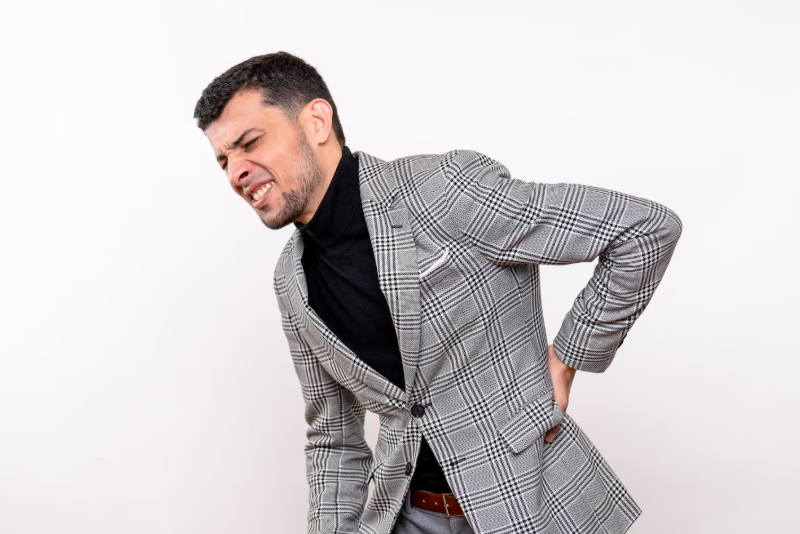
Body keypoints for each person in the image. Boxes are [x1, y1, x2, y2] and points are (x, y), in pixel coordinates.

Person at [194, 51, 682, 534]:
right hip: (408, 516)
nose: (236, 172)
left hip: (527, 504)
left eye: (250, 142)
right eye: (223, 160)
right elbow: (333, 440)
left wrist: (568, 359)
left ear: (316, 122)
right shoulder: (291, 281)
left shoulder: (441, 191)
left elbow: (643, 231)